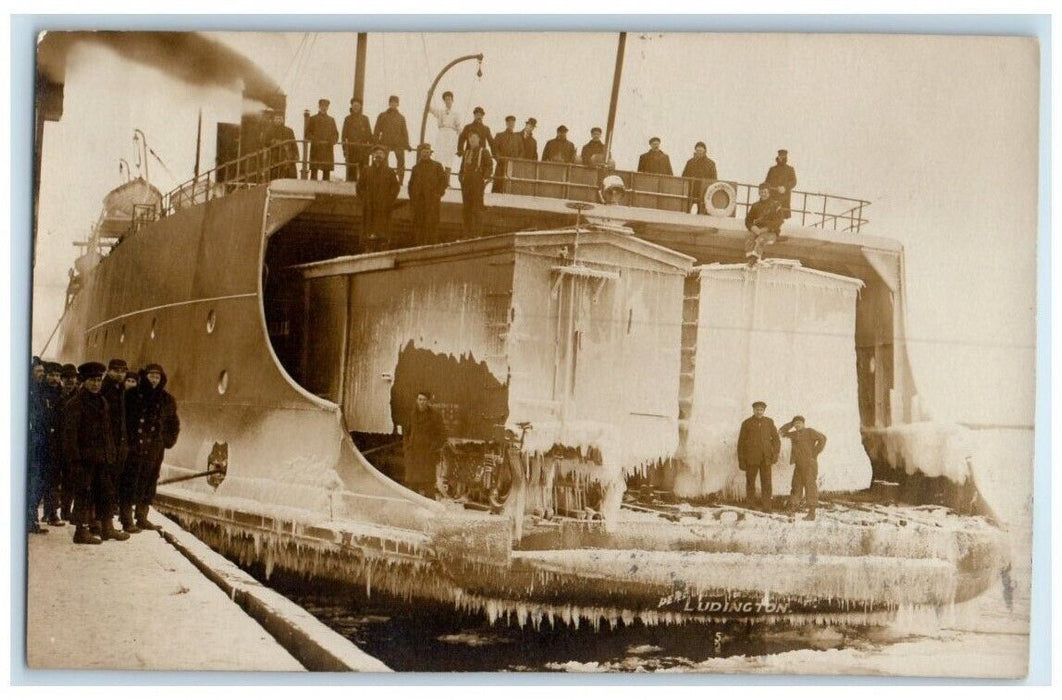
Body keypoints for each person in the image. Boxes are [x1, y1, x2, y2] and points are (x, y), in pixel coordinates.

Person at [61, 362, 127, 544]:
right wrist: (74, 460)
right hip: (84, 459)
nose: (96, 384)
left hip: (102, 458)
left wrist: (111, 454)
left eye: (98, 380)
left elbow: (107, 432)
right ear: (84, 381)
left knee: (106, 492)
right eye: (92, 380)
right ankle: (80, 531)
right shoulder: (75, 404)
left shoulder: (102, 402)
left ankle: (107, 528)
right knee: (83, 494)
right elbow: (70, 436)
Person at [124, 363, 180, 532]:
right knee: (129, 482)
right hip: (135, 447)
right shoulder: (132, 395)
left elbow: (173, 423)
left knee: (149, 482)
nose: (154, 380)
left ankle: (142, 517)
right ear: (145, 376)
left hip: (155, 449)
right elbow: (124, 420)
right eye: (151, 376)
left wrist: (167, 441)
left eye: (157, 377)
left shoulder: (167, 400)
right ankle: (126, 519)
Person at [779, 415, 827, 521]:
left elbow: (823, 438)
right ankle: (792, 509)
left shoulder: (809, 431)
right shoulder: (794, 434)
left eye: (799, 423)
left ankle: (812, 513)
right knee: (796, 486)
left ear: (803, 424)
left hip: (809, 464)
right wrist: (790, 424)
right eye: (795, 423)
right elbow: (781, 432)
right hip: (798, 464)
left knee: (810, 487)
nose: (797, 425)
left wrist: (815, 453)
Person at [102, 359, 130, 533]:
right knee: (105, 486)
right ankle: (105, 525)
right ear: (109, 371)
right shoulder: (106, 389)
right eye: (116, 370)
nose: (120, 374)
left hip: (116, 446)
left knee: (109, 485)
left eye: (123, 371)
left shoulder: (118, 389)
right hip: (107, 445)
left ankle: (103, 524)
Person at [737, 400, 781, 512]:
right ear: (753, 410)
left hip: (766, 458)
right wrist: (741, 460)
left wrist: (775, 454)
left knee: (766, 483)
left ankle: (767, 506)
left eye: (761, 410)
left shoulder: (769, 422)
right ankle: (751, 505)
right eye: (757, 409)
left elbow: (776, 440)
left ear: (764, 410)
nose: (759, 412)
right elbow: (741, 443)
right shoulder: (746, 423)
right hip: (751, 459)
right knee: (750, 482)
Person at [403, 391, 446, 497]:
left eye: (424, 400)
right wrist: (407, 447)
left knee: (428, 486)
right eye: (420, 399)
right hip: (413, 455)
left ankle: (430, 510)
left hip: (427, 455)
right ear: (417, 400)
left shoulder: (435, 415)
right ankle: (413, 510)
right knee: (413, 486)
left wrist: (434, 448)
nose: (422, 402)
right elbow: (406, 433)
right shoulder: (412, 414)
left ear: (428, 402)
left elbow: (443, 434)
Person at [359, 144, 401, 251]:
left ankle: (383, 247)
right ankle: (368, 248)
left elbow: (395, 187)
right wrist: (365, 199)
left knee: (383, 232)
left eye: (381, 153)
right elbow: (360, 186)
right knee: (369, 230)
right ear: (373, 155)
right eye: (376, 153)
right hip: (369, 205)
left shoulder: (390, 172)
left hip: (383, 206)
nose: (379, 155)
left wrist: (389, 200)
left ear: (385, 156)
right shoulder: (366, 170)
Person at [408, 143, 449, 246]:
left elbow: (443, 182)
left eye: (427, 152)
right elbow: (411, 184)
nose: (425, 154)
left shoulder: (437, 166)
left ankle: (431, 247)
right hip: (419, 204)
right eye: (423, 152)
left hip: (432, 203)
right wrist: (413, 198)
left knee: (432, 225)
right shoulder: (415, 168)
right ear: (420, 153)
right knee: (419, 226)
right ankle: (418, 246)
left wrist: (438, 194)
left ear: (430, 153)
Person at [458, 132, 493, 238]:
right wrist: (461, 178)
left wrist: (484, 176)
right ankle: (467, 234)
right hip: (466, 183)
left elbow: (489, 165)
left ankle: (477, 234)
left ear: (479, 140)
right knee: (466, 209)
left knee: (477, 208)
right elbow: (462, 168)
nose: (472, 140)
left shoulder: (484, 152)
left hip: (477, 181)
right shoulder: (467, 152)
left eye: (474, 138)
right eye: (470, 139)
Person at [744, 182, 785, 265]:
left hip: (771, 232)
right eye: (761, 192)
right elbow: (748, 220)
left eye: (765, 192)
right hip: (757, 231)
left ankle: (755, 260)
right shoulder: (755, 206)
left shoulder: (776, 205)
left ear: (769, 192)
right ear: (759, 193)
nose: (763, 194)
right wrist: (752, 227)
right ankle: (749, 260)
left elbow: (779, 221)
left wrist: (766, 228)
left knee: (761, 240)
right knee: (749, 239)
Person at [374, 95, 412, 185]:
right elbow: (377, 129)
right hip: (385, 142)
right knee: (383, 161)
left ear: (397, 104)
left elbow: (404, 132)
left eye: (395, 102)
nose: (393, 104)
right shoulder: (382, 115)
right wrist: (376, 142)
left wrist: (407, 144)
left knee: (401, 162)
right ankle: (383, 180)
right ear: (389, 103)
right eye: (391, 102)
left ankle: (400, 181)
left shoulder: (401, 117)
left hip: (398, 143)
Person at [305, 98, 339, 181]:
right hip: (316, 149)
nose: (324, 108)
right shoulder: (313, 119)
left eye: (326, 106)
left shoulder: (331, 120)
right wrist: (314, 140)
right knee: (314, 172)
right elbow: (307, 134)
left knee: (326, 173)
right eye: (322, 106)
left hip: (327, 149)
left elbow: (336, 134)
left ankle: (325, 193)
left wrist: (332, 140)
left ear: (328, 108)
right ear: (319, 106)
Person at [428, 90, 461, 175]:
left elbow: (458, 127)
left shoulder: (456, 113)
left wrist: (460, 137)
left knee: (449, 158)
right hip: (442, 134)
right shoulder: (440, 111)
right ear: (444, 101)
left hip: (451, 135)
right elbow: (429, 108)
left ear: (452, 100)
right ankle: (437, 179)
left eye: (449, 99)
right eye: (446, 99)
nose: (448, 101)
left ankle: (447, 180)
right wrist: (429, 95)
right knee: (438, 156)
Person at [341, 98, 373, 183]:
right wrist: (344, 150)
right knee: (351, 173)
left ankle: (363, 193)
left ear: (360, 107)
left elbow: (369, 134)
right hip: (351, 150)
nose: (356, 107)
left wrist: (370, 149)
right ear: (351, 106)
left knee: (364, 173)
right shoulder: (347, 119)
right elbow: (344, 136)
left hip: (363, 150)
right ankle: (350, 192)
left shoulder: (365, 119)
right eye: (354, 105)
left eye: (358, 106)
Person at [681, 141, 718, 215]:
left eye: (701, 150)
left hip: (704, 190)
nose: (699, 152)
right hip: (691, 189)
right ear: (695, 150)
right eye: (697, 150)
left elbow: (714, 178)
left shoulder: (711, 163)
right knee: (685, 211)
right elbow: (684, 175)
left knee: (702, 213)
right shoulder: (690, 162)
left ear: (705, 151)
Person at [492, 115, 522, 193]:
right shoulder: (499, 135)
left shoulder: (517, 137)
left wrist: (517, 161)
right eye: (509, 122)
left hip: (513, 166)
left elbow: (522, 151)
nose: (511, 124)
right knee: (498, 186)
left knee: (512, 187)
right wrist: (499, 159)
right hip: (501, 165)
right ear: (506, 123)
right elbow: (494, 149)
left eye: (513, 123)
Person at [265, 111, 298, 180]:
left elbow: (294, 144)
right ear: (274, 119)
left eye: (280, 118)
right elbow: (265, 142)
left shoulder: (289, 131)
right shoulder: (269, 131)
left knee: (290, 176)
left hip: (287, 156)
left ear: (283, 119)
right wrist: (274, 142)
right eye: (277, 118)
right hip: (275, 157)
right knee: (275, 175)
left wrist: (296, 155)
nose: (278, 120)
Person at [764, 149, 797, 219]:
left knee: (782, 215)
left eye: (783, 156)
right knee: (771, 215)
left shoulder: (790, 169)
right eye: (780, 156)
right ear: (778, 157)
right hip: (772, 196)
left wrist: (785, 187)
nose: (781, 158)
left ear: (786, 157)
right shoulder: (772, 169)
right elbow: (766, 182)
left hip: (784, 197)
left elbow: (794, 182)